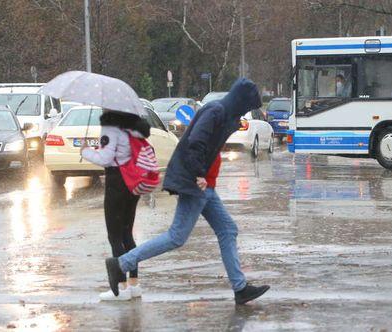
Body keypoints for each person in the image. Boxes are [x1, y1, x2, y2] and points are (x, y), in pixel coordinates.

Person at [104, 78, 270, 305]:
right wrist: (198, 174)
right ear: (242, 100)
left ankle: (240, 288)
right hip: (195, 182)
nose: (247, 111)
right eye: (248, 106)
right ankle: (120, 264)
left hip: (204, 184)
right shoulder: (216, 111)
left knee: (228, 229)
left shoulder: (224, 113)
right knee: (176, 237)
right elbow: (195, 143)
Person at [81, 110, 151, 301]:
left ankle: (120, 288)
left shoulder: (111, 127)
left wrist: (85, 151)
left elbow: (105, 158)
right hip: (133, 181)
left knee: (115, 236)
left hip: (117, 182)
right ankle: (134, 284)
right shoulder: (133, 126)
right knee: (127, 233)